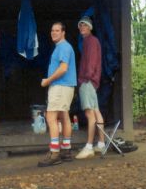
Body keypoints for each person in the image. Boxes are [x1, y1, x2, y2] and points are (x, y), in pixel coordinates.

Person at [38, 22, 77, 167]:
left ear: (63, 32)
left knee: (51, 116)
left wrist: (47, 81)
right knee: (64, 116)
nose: (54, 33)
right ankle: (66, 150)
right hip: (66, 86)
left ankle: (55, 153)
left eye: (57, 30)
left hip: (60, 86)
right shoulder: (63, 47)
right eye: (52, 30)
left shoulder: (63, 47)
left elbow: (63, 68)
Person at [75, 16, 105, 159]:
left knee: (89, 114)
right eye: (80, 26)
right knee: (96, 111)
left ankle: (88, 147)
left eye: (85, 25)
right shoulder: (89, 41)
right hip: (92, 81)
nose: (82, 28)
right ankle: (101, 144)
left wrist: (85, 78)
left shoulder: (91, 41)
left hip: (88, 81)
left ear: (90, 27)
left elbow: (92, 62)